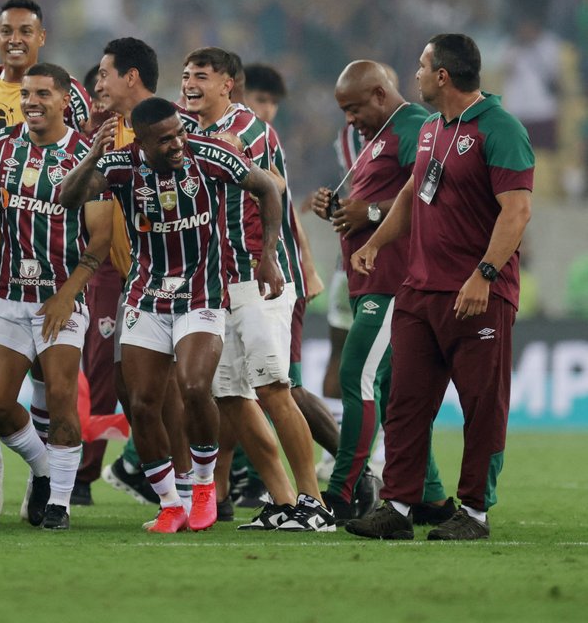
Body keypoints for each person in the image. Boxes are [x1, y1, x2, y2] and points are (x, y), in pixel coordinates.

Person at [61, 97, 283, 533]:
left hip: (202, 293)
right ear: (141, 143)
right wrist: (91, 155)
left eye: (180, 131)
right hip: (147, 296)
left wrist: (269, 255)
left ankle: (202, 489)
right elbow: (69, 196)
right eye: (165, 139)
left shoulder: (211, 154)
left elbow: (268, 188)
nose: (178, 142)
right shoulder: (121, 167)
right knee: (142, 403)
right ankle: (169, 503)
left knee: (196, 386)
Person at [347, 33, 534, 541]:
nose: (417, 74)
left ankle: (473, 511)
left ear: (443, 76)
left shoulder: (501, 129)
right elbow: (411, 193)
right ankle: (400, 506)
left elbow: (517, 211)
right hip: (419, 293)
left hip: (476, 296)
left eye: (422, 66)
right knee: (404, 401)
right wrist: (378, 245)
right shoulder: (431, 128)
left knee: (482, 406)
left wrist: (485, 275)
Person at [0, 63, 112, 530]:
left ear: (65, 100)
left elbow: (99, 238)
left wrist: (67, 296)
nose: (31, 102)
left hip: (60, 298)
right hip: (8, 295)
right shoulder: (5, 147)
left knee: (61, 397)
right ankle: (43, 470)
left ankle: (59, 504)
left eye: (42, 93)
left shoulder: (86, 156)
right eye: (26, 94)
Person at [180, 49, 333, 532]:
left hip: (258, 277)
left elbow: (276, 190)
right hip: (215, 282)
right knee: (228, 395)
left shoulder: (251, 131)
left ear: (228, 84)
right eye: (185, 76)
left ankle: (315, 503)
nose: (189, 83)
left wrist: (270, 255)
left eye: (201, 76)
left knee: (272, 387)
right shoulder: (185, 132)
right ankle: (284, 501)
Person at [310, 60, 449, 524]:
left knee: (356, 375)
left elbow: (431, 189)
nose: (349, 119)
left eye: (353, 108)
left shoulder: (414, 125)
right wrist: (338, 207)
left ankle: (344, 492)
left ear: (377, 94)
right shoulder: (377, 139)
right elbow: (376, 200)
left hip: (394, 281)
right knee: (389, 390)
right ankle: (428, 495)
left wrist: (368, 214)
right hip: (369, 279)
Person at [90, 38, 165, 508]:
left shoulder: (168, 127)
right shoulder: (112, 129)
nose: (98, 83)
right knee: (128, 387)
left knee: (174, 392)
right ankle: (169, 486)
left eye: (104, 74)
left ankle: (198, 486)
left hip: (175, 281)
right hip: (131, 278)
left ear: (130, 77)